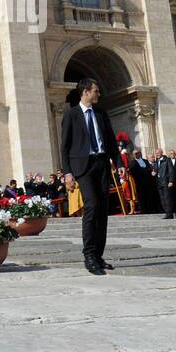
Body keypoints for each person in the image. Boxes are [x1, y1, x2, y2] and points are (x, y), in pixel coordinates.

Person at [60, 78, 121, 275]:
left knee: (103, 209)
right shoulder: (71, 114)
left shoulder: (101, 113)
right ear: (85, 92)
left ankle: (98, 255)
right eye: (96, 91)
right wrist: (67, 172)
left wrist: (118, 164)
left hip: (102, 164)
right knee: (92, 205)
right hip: (82, 166)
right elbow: (65, 146)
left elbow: (111, 141)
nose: (98, 94)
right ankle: (89, 255)